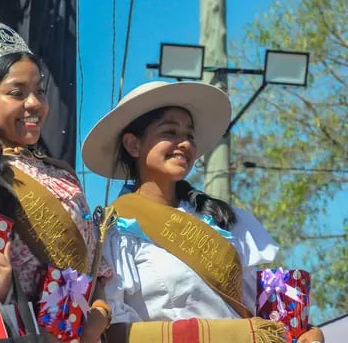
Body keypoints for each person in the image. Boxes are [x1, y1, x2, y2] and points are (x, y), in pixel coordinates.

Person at [81, 80, 325, 342]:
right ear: (133, 145)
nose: (184, 143)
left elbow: (261, 314)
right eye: (170, 132)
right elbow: (114, 330)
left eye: (189, 135)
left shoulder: (224, 220)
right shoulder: (112, 232)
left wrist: (302, 332)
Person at [0, 21, 112, 342]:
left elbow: (92, 266)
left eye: (39, 92)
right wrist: (6, 288)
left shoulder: (63, 175)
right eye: (17, 93)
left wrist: (100, 313)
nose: (34, 103)